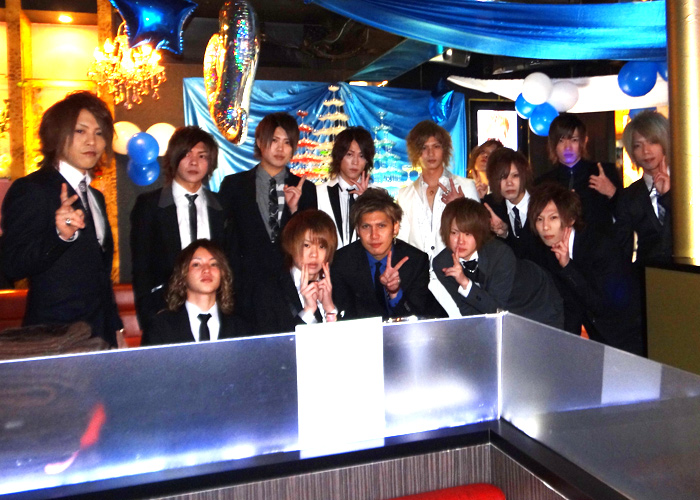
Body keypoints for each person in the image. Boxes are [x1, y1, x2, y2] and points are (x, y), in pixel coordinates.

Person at [1, 91, 123, 347]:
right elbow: (11, 264)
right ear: (57, 135)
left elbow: (100, 275)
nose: (92, 141)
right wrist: (59, 236)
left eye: (99, 133)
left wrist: (116, 329)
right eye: (80, 131)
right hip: (54, 337)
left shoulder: (96, 197)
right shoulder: (33, 189)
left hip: (100, 336)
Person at [130, 126, 225, 336]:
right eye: (187, 154)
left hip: (213, 311)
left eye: (202, 156)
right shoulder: (149, 205)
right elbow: (141, 268)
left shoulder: (221, 206)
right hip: (165, 312)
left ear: (210, 162)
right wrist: (149, 319)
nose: (194, 162)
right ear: (174, 158)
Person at [528, 183, 644, 355]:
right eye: (539, 219)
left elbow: (603, 305)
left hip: (629, 335)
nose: (545, 227)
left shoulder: (599, 246)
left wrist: (568, 267)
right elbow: (571, 305)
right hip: (598, 340)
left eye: (553, 218)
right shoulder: (551, 251)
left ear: (570, 219)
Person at [218, 112, 317, 304]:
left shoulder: (305, 189)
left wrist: (294, 211)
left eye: (287, 142)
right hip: (245, 289)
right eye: (274, 140)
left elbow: (311, 241)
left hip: (292, 290)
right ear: (259, 142)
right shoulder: (234, 186)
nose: (280, 148)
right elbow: (224, 239)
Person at [433, 198, 563, 328]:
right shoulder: (442, 263)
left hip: (538, 303)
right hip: (502, 311)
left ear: (480, 232)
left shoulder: (500, 254)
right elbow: (465, 307)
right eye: (454, 233)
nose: (460, 241)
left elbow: (496, 310)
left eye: (468, 234)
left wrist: (465, 283)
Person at [331, 188, 446, 320]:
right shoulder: (341, 262)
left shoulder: (415, 261)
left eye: (381, 226)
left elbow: (418, 317)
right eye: (366, 227)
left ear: (395, 227)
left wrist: (395, 293)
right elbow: (346, 317)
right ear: (357, 229)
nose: (374, 235)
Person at [396, 121, 479, 263]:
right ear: (415, 152)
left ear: (444, 149)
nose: (430, 153)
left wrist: (461, 207)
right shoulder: (405, 195)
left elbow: (478, 233)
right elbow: (402, 241)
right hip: (417, 271)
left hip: (455, 269)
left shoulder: (466, 186)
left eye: (436, 146)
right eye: (424, 147)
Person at [248, 210, 339, 334]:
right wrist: (308, 311)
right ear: (291, 245)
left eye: (321, 246)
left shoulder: (338, 283)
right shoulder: (269, 289)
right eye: (307, 245)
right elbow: (273, 343)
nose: (314, 254)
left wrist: (330, 309)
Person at [141, 240, 248, 346]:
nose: (206, 270)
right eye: (196, 264)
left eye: (214, 264)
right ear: (182, 274)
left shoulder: (241, 328)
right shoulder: (160, 327)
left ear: (223, 273)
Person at [536, 113, 623, 237]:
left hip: (599, 246)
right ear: (553, 144)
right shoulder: (543, 184)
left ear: (584, 141)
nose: (568, 147)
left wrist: (612, 192)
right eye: (561, 141)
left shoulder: (603, 172)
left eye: (574, 140)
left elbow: (626, 218)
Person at [615, 111, 672, 265]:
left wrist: (668, 195)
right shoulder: (629, 196)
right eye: (638, 145)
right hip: (647, 274)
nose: (646, 151)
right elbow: (623, 247)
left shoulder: (689, 183)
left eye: (652, 142)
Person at [316, 127, 374, 249]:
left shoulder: (377, 195)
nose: (355, 162)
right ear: (339, 156)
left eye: (362, 156)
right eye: (349, 154)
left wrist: (367, 200)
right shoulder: (318, 193)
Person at [482, 148, 542, 261]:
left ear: (524, 176)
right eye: (502, 177)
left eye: (515, 176)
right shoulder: (490, 207)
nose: (509, 183)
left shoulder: (543, 203)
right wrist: (505, 234)